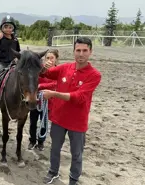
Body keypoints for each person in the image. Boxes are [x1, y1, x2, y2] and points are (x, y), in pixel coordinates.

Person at [40, 37, 101, 185]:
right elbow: (46, 74)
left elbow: (79, 97)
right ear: (74, 52)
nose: (81, 54)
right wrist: (43, 66)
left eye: (84, 50)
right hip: (59, 118)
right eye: (78, 50)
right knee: (55, 148)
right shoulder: (65, 68)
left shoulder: (94, 75)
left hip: (77, 122)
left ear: (90, 52)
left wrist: (54, 94)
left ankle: (73, 180)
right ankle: (53, 172)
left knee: (76, 154)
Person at [28, 49, 59, 151]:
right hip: (36, 100)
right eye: (47, 58)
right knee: (33, 121)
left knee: (44, 122)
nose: (49, 60)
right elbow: (34, 79)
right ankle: (32, 140)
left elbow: (56, 84)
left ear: (56, 59)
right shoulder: (40, 70)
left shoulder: (58, 70)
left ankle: (41, 142)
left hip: (48, 102)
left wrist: (41, 86)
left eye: (52, 58)